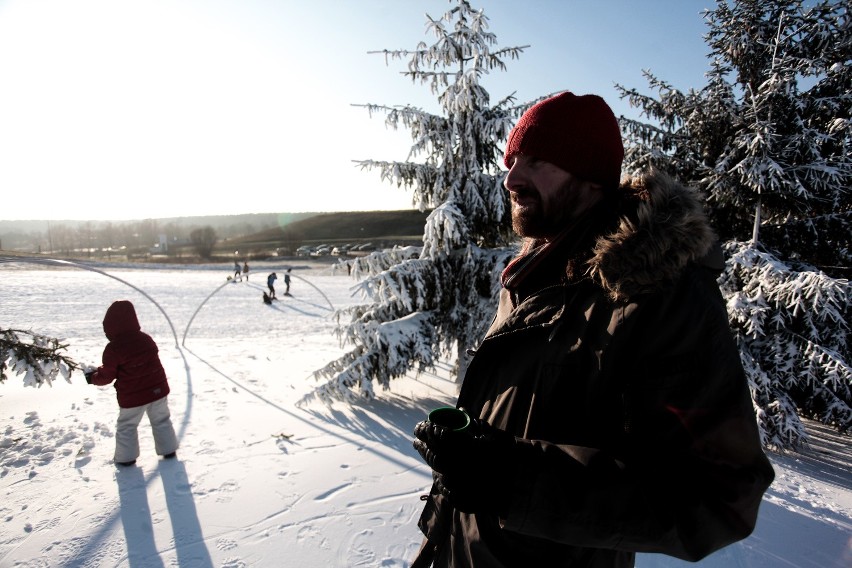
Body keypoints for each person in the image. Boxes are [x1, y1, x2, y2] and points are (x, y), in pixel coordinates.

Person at [411, 91, 775, 567]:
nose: (511, 177)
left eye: (537, 160)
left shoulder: (657, 292)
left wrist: (510, 479)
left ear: (589, 175)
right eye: (512, 158)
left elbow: (719, 495)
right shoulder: (534, 275)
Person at [85, 300, 178, 467]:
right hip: (157, 390)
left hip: (133, 396)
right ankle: (169, 449)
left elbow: (108, 375)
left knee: (127, 425)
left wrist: (92, 378)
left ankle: (126, 458)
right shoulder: (145, 339)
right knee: (162, 419)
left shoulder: (114, 348)